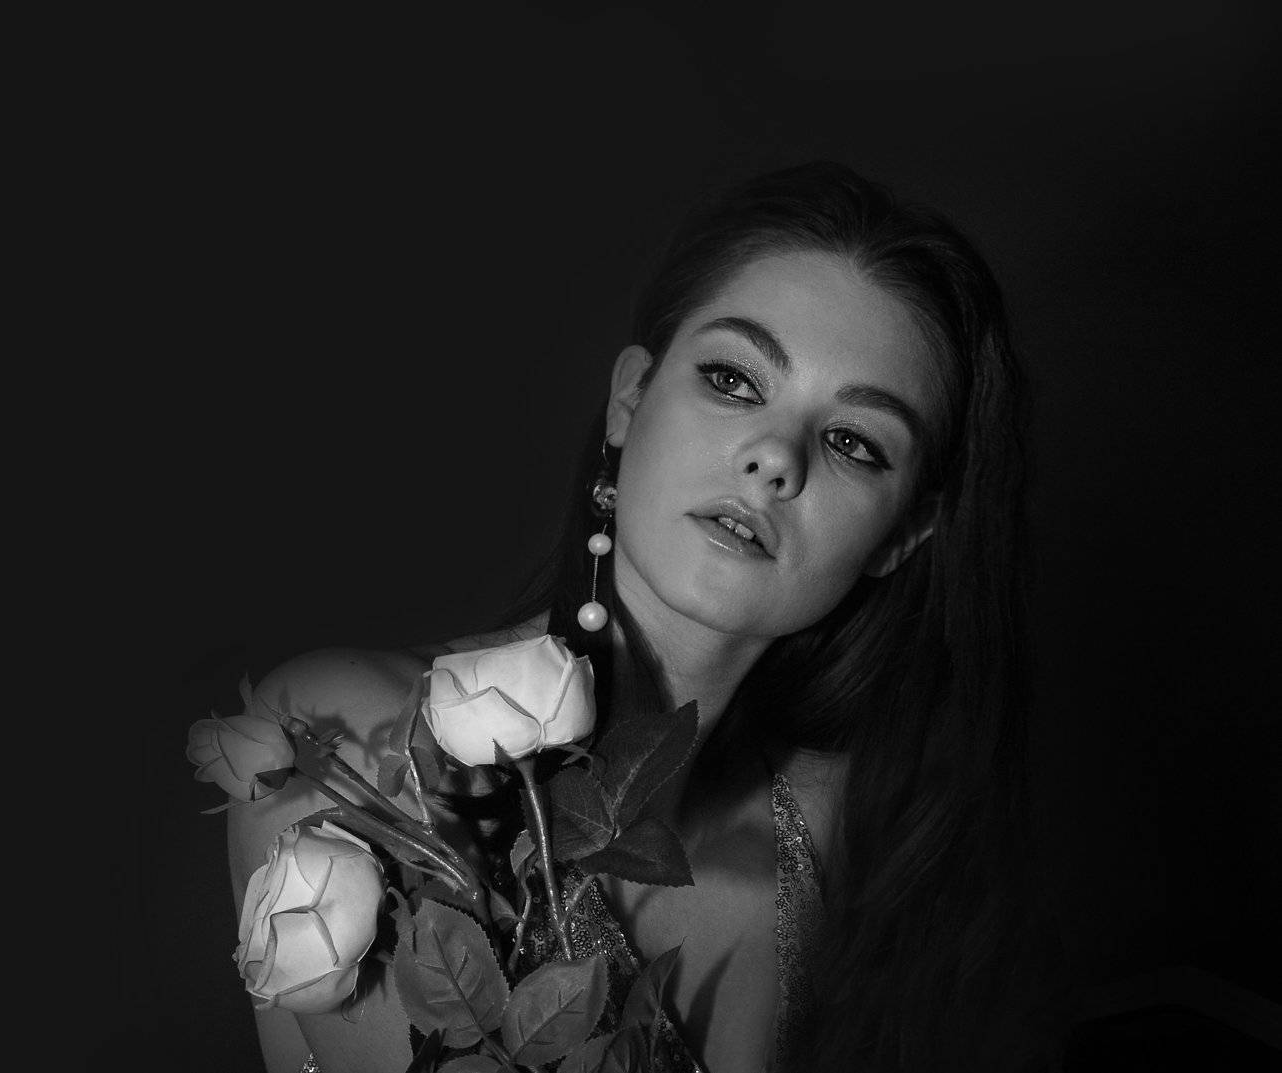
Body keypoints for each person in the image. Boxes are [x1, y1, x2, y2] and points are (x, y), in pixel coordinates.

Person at [226, 162, 1070, 1072]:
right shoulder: (342, 738)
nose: (775, 457)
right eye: (733, 378)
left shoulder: (847, 831)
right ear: (631, 398)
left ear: (901, 536)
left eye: (852, 441)